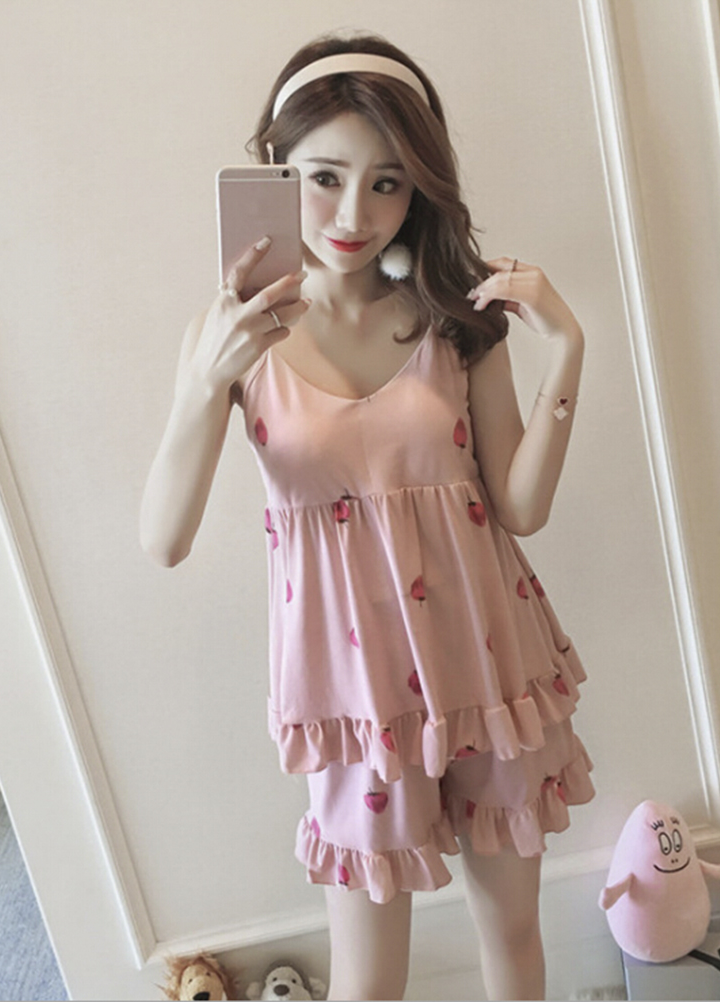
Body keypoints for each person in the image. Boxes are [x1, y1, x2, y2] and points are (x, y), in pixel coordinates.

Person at [141, 31, 594, 1002]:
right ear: (274, 169)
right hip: (353, 701)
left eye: (387, 183)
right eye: (324, 178)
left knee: (514, 934)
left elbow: (520, 507)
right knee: (367, 981)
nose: (354, 214)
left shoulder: (452, 318)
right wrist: (205, 385)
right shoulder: (233, 335)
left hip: (489, 666)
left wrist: (567, 356)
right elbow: (163, 539)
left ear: (418, 188)